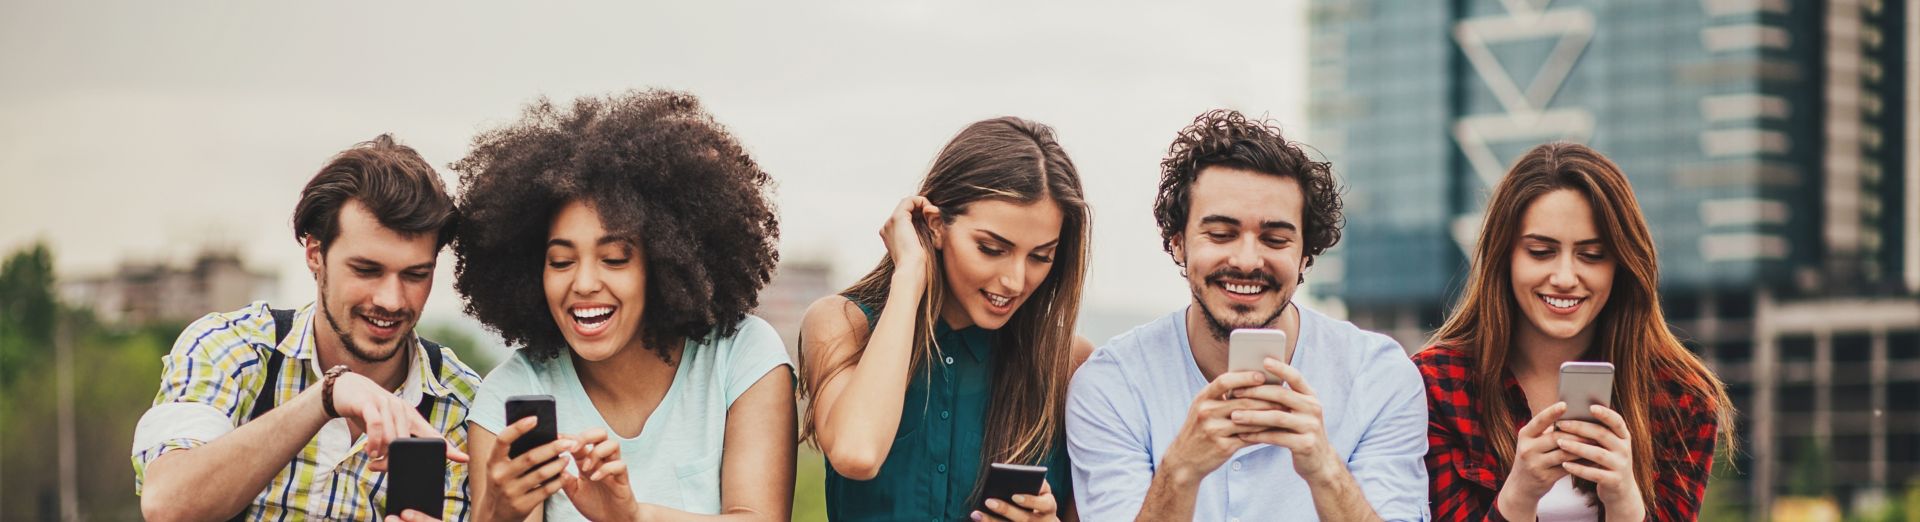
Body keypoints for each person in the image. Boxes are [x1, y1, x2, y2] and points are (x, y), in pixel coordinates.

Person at [1067, 110, 1428, 521]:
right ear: (1179, 243)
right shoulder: (1112, 383)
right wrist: (1179, 471)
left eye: (1275, 239)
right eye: (1220, 234)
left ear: (1305, 254)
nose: (1246, 260)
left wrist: (1326, 472)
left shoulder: (1379, 378)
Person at [454, 89, 794, 522]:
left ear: (665, 261)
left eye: (614, 258)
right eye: (561, 261)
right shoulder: (514, 394)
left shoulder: (742, 356)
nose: (584, 283)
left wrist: (631, 516)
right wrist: (497, 515)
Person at [131, 134, 480, 522]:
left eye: (416, 275)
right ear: (315, 254)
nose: (392, 300)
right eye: (366, 270)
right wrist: (327, 396)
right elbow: (168, 505)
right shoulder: (232, 348)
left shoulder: (464, 407)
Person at [1415, 142, 1735, 521]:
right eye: (1540, 251)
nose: (1565, 277)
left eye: (1592, 255)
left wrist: (1625, 503)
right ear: (1505, 258)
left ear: (1622, 263)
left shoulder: (1682, 397)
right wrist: (1518, 495)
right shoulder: (1434, 385)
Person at [797, 116, 1094, 522]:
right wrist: (910, 276)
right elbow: (857, 452)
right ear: (936, 226)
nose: (1015, 280)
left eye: (1040, 256)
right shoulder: (843, 324)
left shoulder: (1069, 363)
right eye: (991, 248)